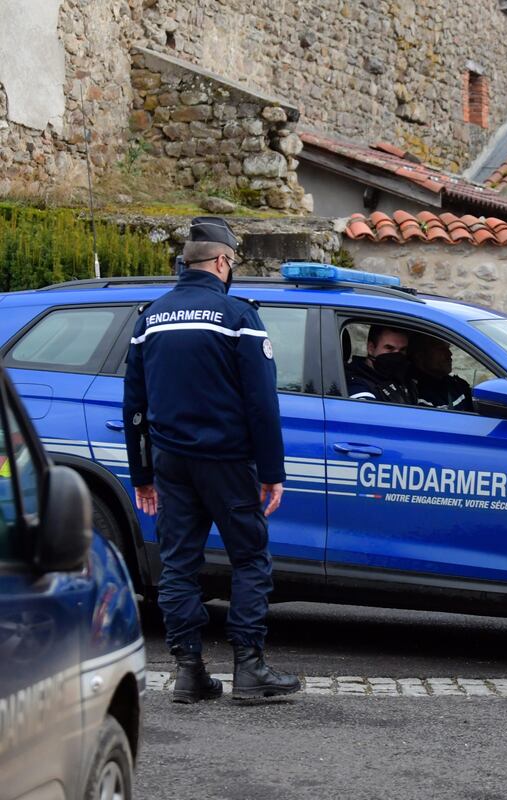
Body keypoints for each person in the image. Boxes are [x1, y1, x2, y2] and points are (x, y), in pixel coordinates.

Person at [123, 216, 300, 703]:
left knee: (178, 565)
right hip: (227, 462)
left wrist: (141, 475)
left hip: (171, 463)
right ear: (222, 262)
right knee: (249, 558)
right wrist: (272, 472)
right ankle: (250, 668)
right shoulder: (238, 317)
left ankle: (188, 672)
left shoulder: (149, 319)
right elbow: (261, 403)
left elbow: (134, 406)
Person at [345, 324, 417, 403]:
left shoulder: (405, 380)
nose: (397, 355)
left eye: (402, 350)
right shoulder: (356, 384)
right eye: (389, 348)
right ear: (371, 348)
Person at [409, 334, 473, 412]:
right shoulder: (416, 395)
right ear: (420, 356)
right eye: (441, 349)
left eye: (448, 348)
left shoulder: (457, 384)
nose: (450, 353)